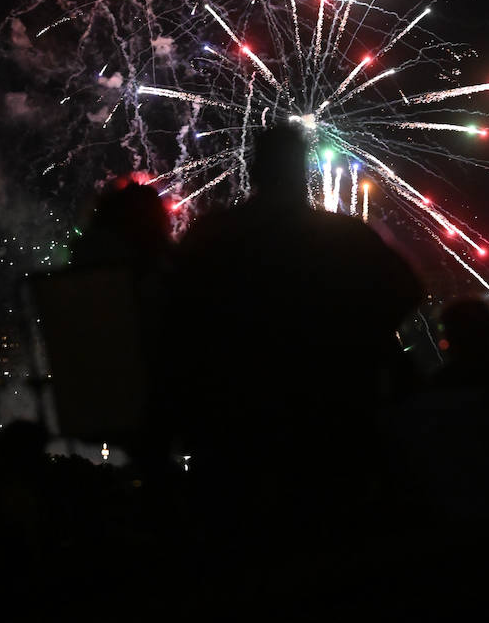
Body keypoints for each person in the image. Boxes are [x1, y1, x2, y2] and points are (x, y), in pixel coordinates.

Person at [164, 124, 422, 551]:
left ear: (253, 168)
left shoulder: (212, 237)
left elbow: (174, 318)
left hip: (236, 426)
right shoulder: (345, 237)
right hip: (331, 425)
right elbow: (407, 290)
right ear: (303, 171)